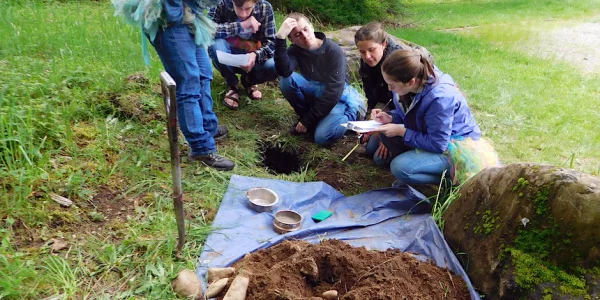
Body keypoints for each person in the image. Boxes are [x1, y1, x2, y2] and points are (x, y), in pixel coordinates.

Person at [118, 0, 236, 171]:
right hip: (171, 21)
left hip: (188, 18)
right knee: (188, 83)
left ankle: (207, 127)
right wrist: (178, 12)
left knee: (204, 74)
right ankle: (201, 149)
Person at [371, 49, 499, 186]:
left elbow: (438, 144)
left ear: (411, 82)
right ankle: (418, 168)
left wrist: (401, 131)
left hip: (455, 147)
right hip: (431, 136)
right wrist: (391, 117)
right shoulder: (410, 84)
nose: (389, 89)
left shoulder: (440, 98)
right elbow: (411, 114)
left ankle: (455, 181)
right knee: (383, 147)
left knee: (400, 167)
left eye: (392, 85)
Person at [274, 12, 366, 146]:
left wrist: (308, 120)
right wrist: (280, 38)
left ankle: (351, 117)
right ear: (291, 39)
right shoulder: (295, 50)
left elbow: (333, 92)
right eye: (297, 34)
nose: (304, 36)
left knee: (323, 137)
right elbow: (284, 71)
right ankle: (309, 119)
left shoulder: (332, 51)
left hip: (338, 99)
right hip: (316, 91)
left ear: (311, 26)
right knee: (286, 80)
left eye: (305, 29)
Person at [208, 0, 278, 110]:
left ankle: (250, 81)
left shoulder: (265, 7)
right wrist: (240, 26)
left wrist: (256, 55)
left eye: (247, 9)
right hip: (228, 52)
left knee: (274, 64)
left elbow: (272, 42)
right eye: (239, 8)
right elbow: (207, 29)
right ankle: (233, 84)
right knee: (215, 45)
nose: (243, 14)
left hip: (254, 55)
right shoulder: (220, 3)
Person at [354, 22, 403, 164]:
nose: (367, 56)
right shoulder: (366, 63)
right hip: (385, 107)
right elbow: (371, 96)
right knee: (370, 150)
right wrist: (368, 125)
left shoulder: (396, 63)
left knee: (378, 158)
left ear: (383, 44)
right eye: (362, 52)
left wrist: (389, 139)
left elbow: (406, 106)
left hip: (400, 112)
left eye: (371, 50)